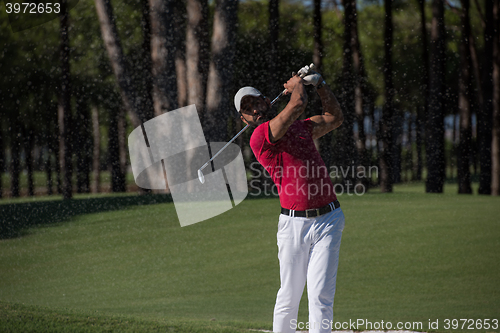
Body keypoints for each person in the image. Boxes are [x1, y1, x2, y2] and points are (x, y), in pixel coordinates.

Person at [233, 69, 345, 333]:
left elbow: (334, 118)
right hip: (294, 226)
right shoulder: (259, 136)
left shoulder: (301, 127)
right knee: (289, 298)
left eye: (256, 102)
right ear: (244, 119)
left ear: (266, 100)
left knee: (321, 298)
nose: (255, 110)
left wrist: (320, 85)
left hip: (329, 219)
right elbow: (297, 104)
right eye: (248, 109)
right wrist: (297, 86)